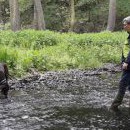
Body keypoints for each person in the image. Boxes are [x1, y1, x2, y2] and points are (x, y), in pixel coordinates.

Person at [110, 16, 130, 112]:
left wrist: (127, 62)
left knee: (122, 83)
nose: (124, 26)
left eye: (125, 25)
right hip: (127, 63)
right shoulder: (128, 35)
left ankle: (114, 106)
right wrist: (123, 61)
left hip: (129, 65)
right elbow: (126, 50)